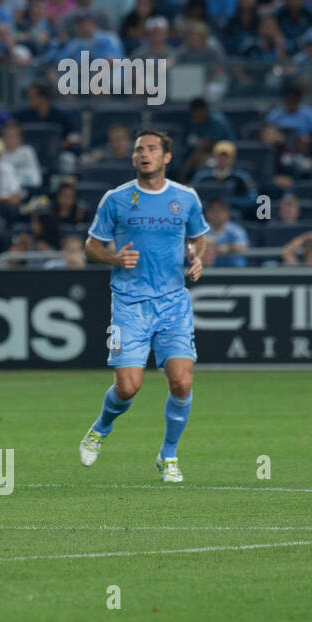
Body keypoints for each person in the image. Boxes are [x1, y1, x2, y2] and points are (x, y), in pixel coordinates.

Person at [81, 130, 209, 484]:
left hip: (172, 302)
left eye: (152, 149)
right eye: (139, 149)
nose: (144, 154)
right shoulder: (116, 199)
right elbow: (91, 247)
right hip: (129, 304)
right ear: (134, 158)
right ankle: (99, 429)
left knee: (181, 382)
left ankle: (168, 454)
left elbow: (198, 237)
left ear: (166, 157)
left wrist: (197, 257)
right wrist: (114, 258)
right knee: (128, 387)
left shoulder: (185, 198)